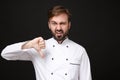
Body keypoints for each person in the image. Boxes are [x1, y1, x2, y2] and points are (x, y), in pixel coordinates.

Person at [1, 5, 92, 80]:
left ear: (69, 25)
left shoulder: (80, 51)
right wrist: (29, 44)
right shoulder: (38, 47)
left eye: (62, 23)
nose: (58, 28)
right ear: (49, 25)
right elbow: (5, 54)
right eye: (54, 23)